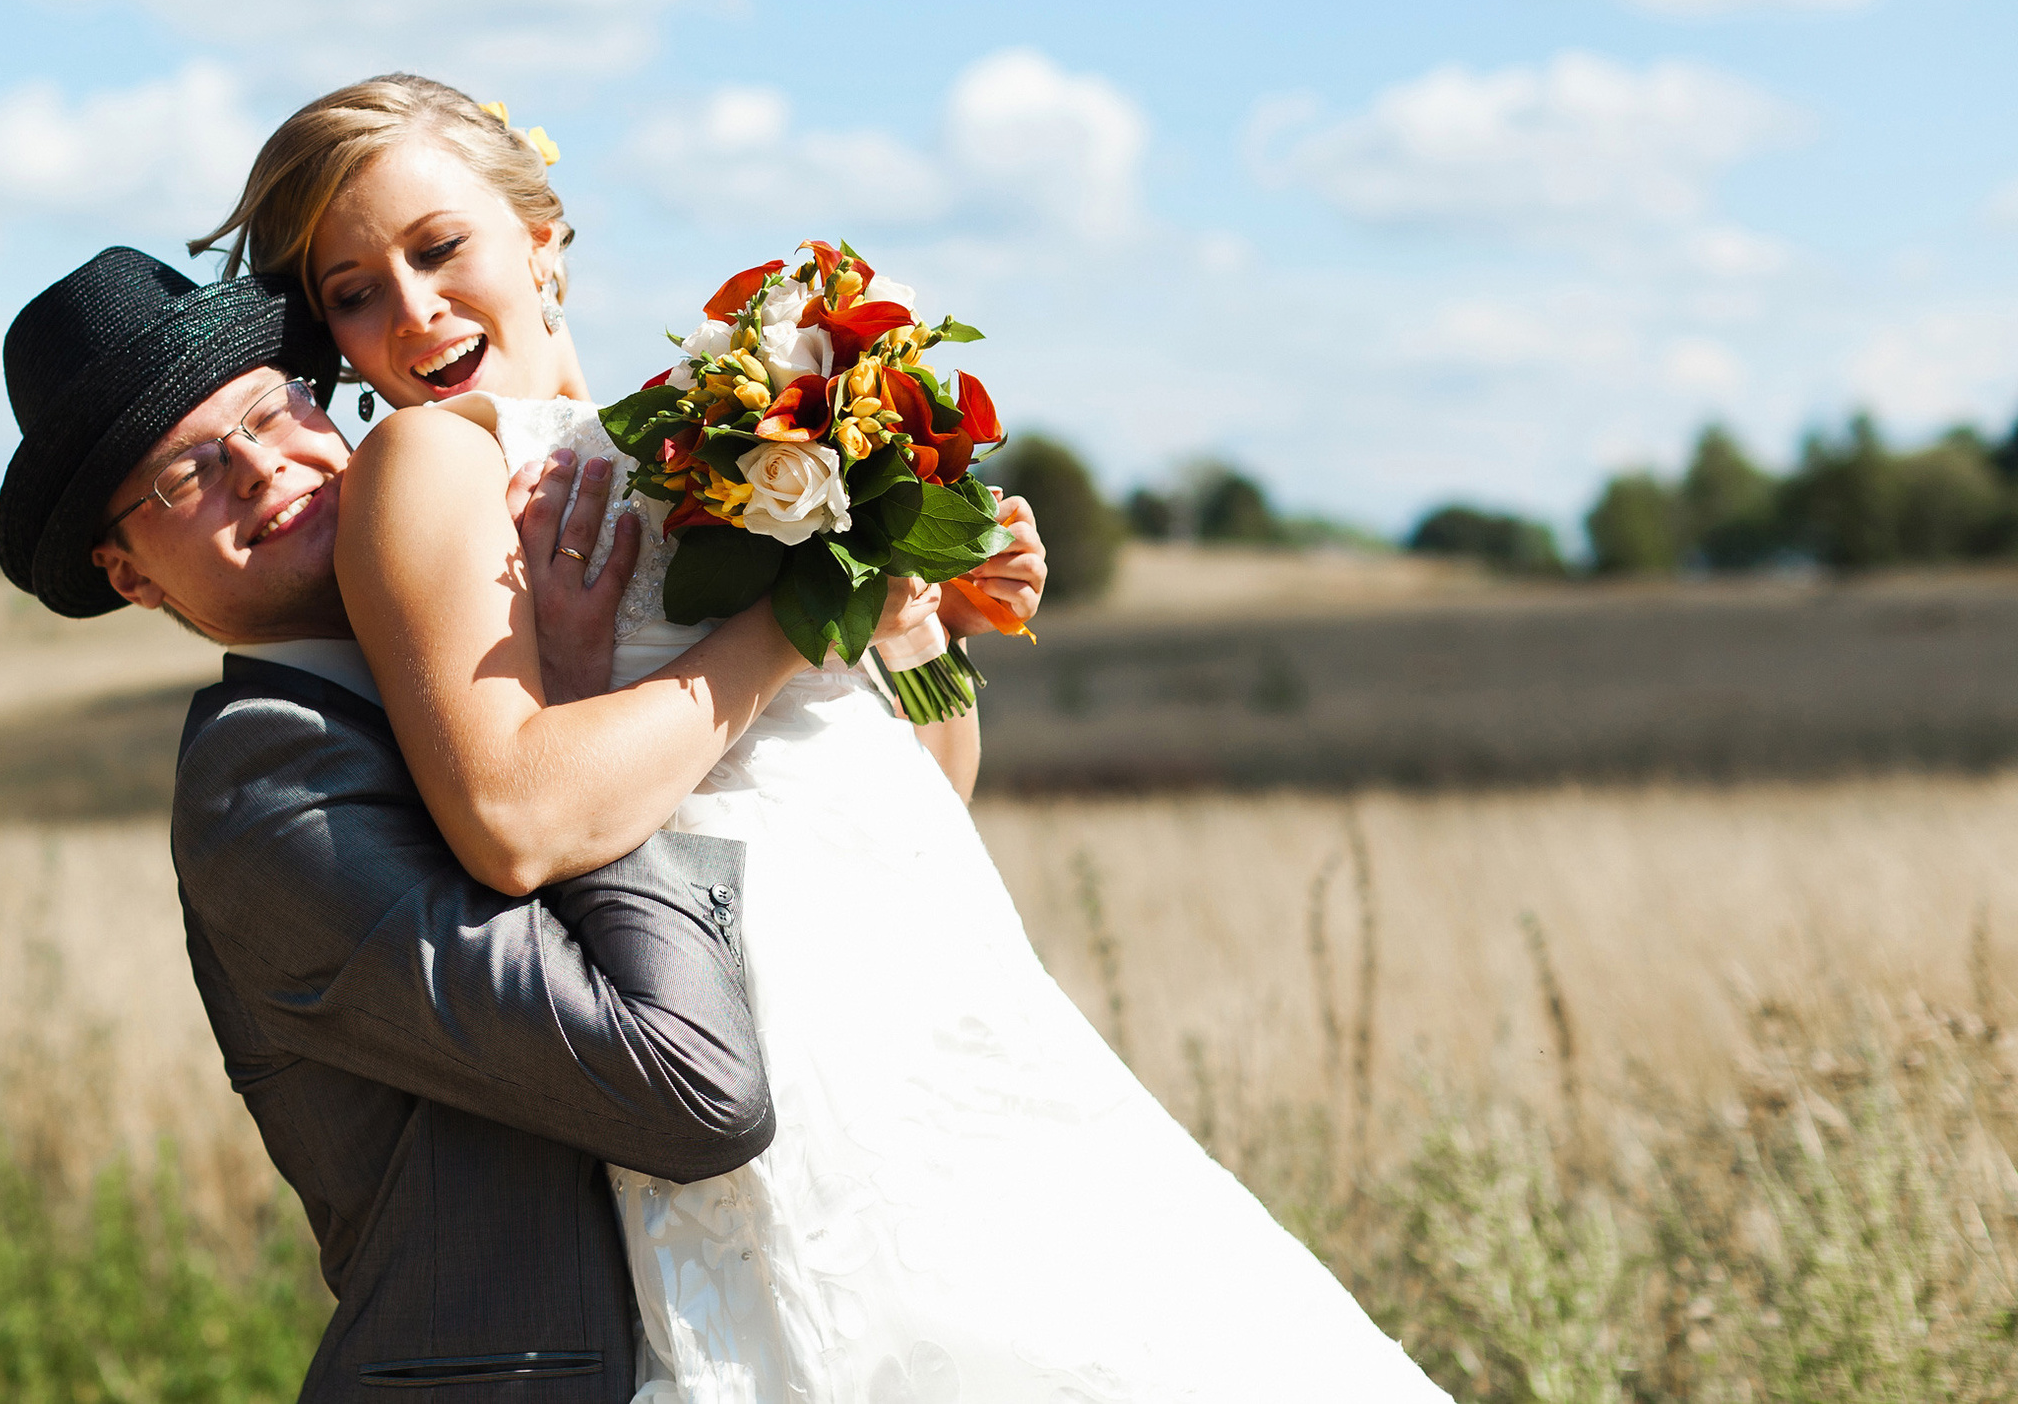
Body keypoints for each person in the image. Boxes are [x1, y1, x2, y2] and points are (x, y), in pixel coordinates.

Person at [193, 75, 1455, 1402]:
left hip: (942, 994)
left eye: (439, 248)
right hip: (767, 1034)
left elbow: (916, 789)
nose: (413, 309)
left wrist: (914, 624)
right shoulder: (432, 465)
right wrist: (795, 624)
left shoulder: (736, 429)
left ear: (542, 237)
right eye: (353, 290)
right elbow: (513, 815)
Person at [0, 247, 877, 1402]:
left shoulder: (478, 653)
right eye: (185, 476)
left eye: (274, 409)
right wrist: (577, 702)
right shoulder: (266, 792)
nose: (261, 468)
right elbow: (687, 1081)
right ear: (130, 575)